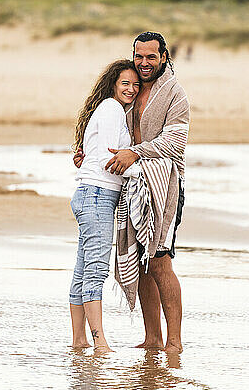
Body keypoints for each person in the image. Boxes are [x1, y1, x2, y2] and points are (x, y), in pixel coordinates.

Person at [75, 32, 189, 353]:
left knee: (160, 261)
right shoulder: (128, 90)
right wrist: (89, 153)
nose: (143, 63)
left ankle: (174, 342)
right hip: (132, 184)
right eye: (139, 56)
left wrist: (135, 153)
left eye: (150, 57)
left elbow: (175, 142)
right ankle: (152, 338)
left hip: (165, 184)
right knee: (139, 262)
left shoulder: (174, 95)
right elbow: (111, 138)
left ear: (164, 57)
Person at [69, 60, 140, 353]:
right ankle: (100, 344)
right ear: (113, 84)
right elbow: (110, 160)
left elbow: (96, 155)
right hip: (97, 195)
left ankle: (79, 340)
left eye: (136, 85)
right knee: (95, 270)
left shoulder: (110, 110)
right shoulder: (111, 109)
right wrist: (146, 171)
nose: (131, 89)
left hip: (90, 194)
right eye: (125, 83)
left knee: (83, 269)